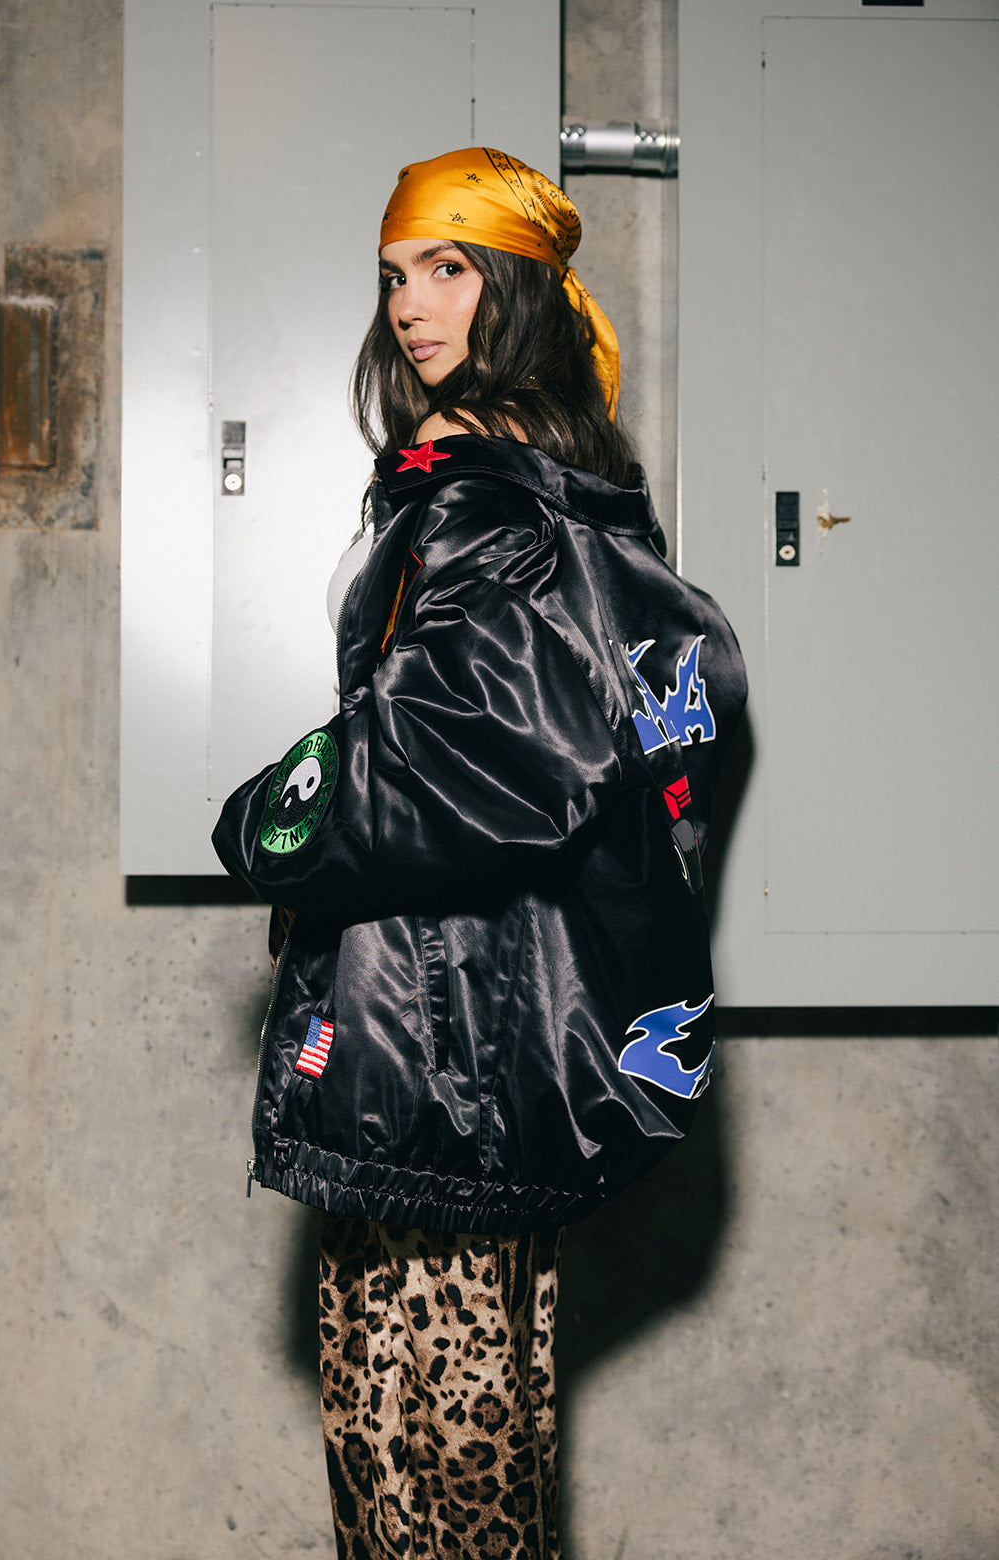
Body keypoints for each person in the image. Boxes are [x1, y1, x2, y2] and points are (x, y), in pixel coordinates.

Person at [213, 147, 747, 1560]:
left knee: (422, 1460)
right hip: (463, 1034)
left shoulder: (493, 502)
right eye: (396, 274)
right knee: (448, 1448)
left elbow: (461, 763)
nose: (409, 303)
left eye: (446, 268)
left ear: (514, 286)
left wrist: (274, 815)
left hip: (440, 1048)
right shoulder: (528, 482)